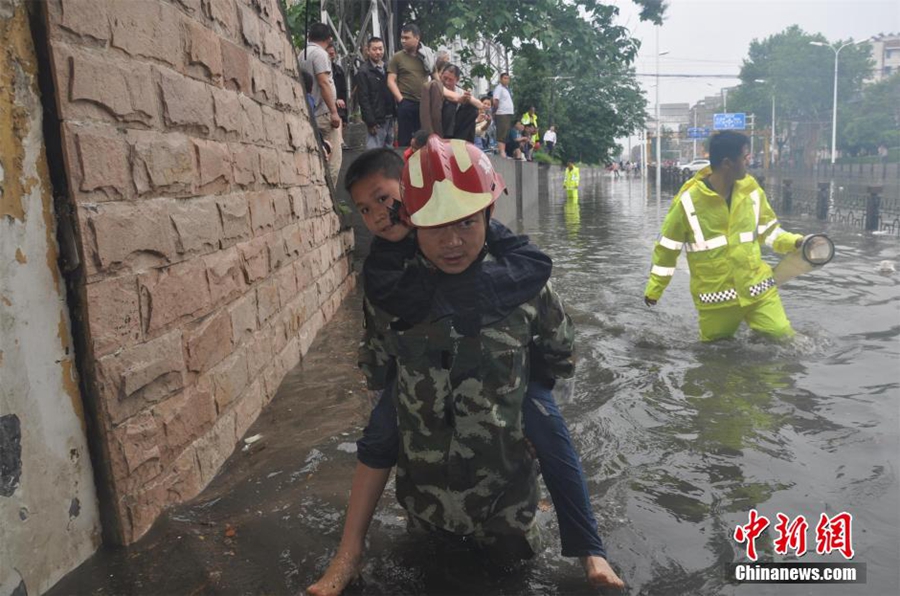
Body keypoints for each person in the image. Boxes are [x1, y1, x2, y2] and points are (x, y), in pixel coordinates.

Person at [306, 143, 624, 596]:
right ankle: (348, 553)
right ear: (412, 218)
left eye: (467, 223)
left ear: (488, 214)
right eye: (435, 226)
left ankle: (591, 550)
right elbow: (377, 365)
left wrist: (526, 399)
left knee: (552, 438)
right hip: (425, 511)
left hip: (507, 517)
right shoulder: (393, 291)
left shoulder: (524, 282)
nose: (452, 241)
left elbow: (561, 355)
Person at [644, 131, 805, 341]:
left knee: (783, 338)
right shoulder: (688, 202)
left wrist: (796, 242)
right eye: (746, 157)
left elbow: (769, 231)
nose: (750, 162)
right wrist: (655, 289)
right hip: (717, 299)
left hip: (757, 290)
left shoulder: (752, 191)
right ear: (728, 163)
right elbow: (667, 248)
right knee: (716, 356)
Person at [300, 23, 342, 181]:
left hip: (310, 112)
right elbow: (323, 82)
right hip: (323, 114)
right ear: (329, 39)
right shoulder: (320, 54)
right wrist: (334, 112)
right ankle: (329, 202)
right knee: (333, 161)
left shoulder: (302, 53)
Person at [387, 24, 433, 146]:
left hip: (423, 104)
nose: (403, 41)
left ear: (417, 38)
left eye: (407, 38)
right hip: (406, 102)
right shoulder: (398, 57)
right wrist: (401, 101)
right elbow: (390, 80)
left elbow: (435, 76)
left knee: (422, 140)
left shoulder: (426, 57)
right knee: (405, 140)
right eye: (402, 37)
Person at [356, 37, 396, 149]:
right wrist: (370, 121)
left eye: (380, 49)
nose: (378, 52)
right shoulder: (364, 71)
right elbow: (363, 98)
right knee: (374, 151)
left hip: (390, 116)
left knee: (389, 150)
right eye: (374, 49)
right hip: (376, 120)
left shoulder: (388, 68)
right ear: (368, 51)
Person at [492, 72, 514, 157]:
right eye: (504, 78)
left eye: (508, 78)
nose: (506, 80)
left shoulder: (507, 89)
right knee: (501, 132)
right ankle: (501, 152)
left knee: (505, 133)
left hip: (508, 113)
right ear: (501, 79)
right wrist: (494, 111)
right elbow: (495, 101)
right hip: (501, 113)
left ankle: (503, 151)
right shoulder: (499, 88)